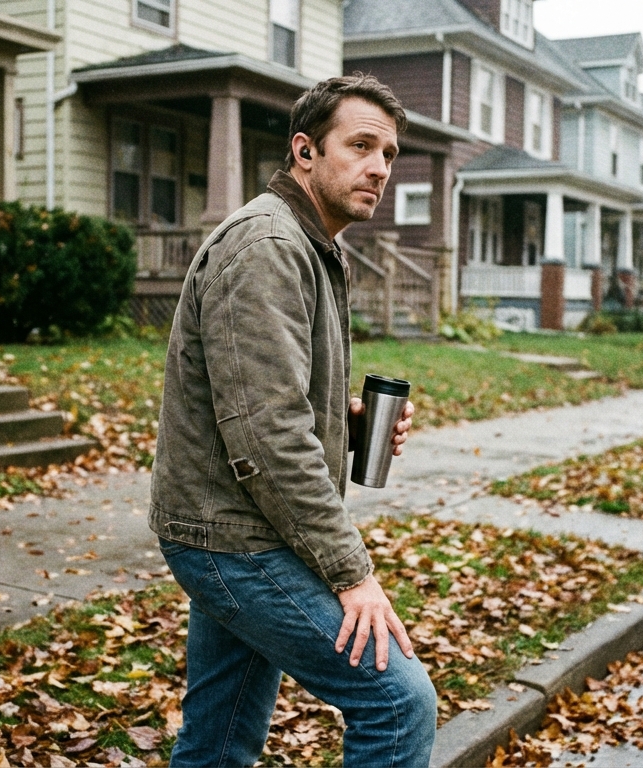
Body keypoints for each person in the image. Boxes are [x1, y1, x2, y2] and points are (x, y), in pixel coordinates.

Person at [148, 74, 436, 766]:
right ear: (304, 152)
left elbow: (261, 392)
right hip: (235, 537)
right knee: (398, 701)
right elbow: (268, 435)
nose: (378, 168)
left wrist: (348, 418)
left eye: (390, 154)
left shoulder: (308, 243)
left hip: (242, 524)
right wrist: (351, 574)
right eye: (360, 145)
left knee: (219, 740)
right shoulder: (270, 246)